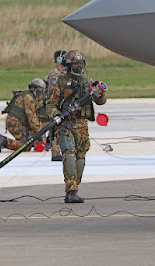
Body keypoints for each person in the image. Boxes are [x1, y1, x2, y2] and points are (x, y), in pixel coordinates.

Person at [46, 50, 107, 203]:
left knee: (81, 158)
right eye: (76, 64)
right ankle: (70, 191)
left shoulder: (87, 81)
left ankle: (76, 188)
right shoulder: (59, 81)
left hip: (82, 124)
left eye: (81, 63)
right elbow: (50, 105)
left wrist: (100, 94)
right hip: (67, 124)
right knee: (69, 155)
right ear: (68, 65)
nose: (79, 66)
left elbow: (100, 102)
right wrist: (57, 115)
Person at [0, 78, 46, 152]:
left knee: (30, 139)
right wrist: (39, 133)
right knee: (26, 146)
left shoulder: (27, 95)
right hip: (15, 124)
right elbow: (32, 119)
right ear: (35, 88)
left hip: (16, 122)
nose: (41, 92)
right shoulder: (28, 98)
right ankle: (5, 141)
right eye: (40, 89)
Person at [45, 50, 66, 161]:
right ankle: (56, 153)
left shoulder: (65, 73)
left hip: (63, 104)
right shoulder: (54, 75)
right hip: (55, 105)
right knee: (56, 129)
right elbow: (52, 92)